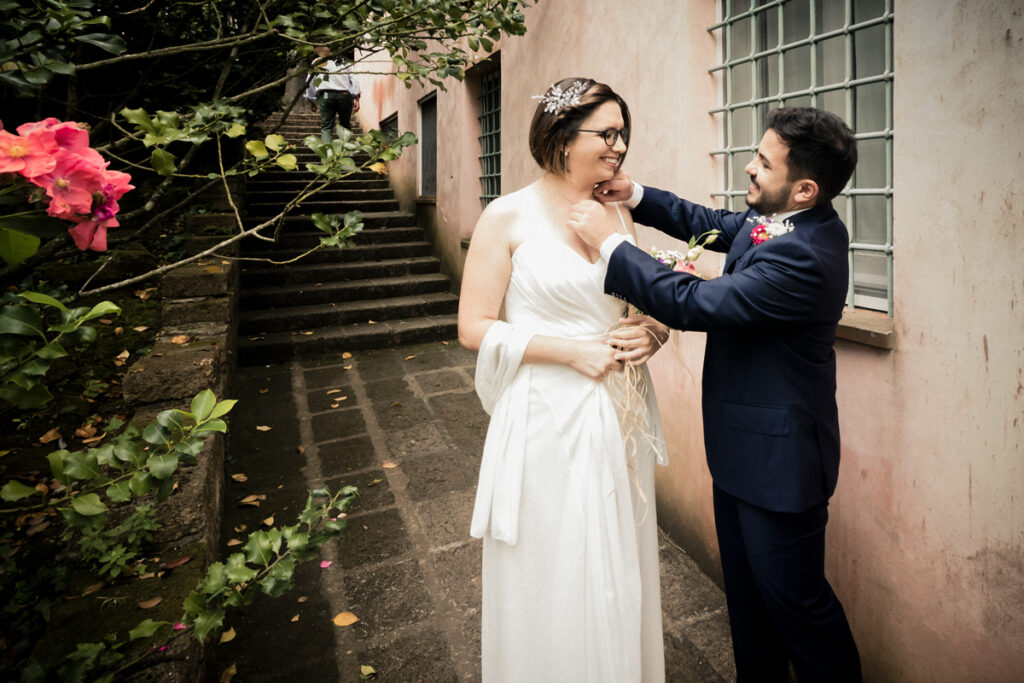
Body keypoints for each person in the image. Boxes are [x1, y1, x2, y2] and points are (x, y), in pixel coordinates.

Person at [567, 106, 862, 681]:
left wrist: (612, 247)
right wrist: (637, 194)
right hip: (739, 457)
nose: (749, 168)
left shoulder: (807, 254)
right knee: (749, 609)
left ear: (804, 188)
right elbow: (719, 224)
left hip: (781, 470)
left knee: (801, 611)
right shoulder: (790, 218)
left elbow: (695, 304)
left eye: (764, 163)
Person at [458, 78, 670, 682]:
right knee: (553, 558)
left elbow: (634, 304)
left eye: (622, 133)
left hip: (618, 411)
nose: (619, 146)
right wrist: (570, 352)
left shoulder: (616, 211)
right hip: (546, 414)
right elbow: (473, 327)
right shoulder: (508, 215)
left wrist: (652, 332)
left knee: (614, 555)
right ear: (560, 136)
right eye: (607, 133)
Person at [304, 45, 360, 142]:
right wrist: (357, 98)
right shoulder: (344, 61)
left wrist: (311, 99)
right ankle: (346, 154)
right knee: (345, 126)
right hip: (344, 95)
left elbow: (309, 82)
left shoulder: (317, 62)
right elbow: (354, 80)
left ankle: (327, 157)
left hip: (326, 95)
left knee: (326, 128)